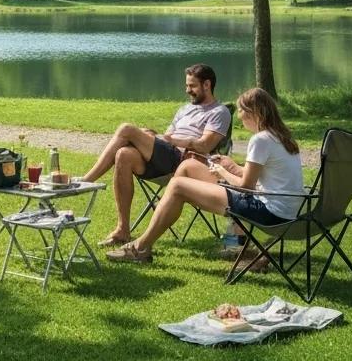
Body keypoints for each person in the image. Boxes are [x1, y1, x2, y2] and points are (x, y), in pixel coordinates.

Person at [106, 86, 304, 263]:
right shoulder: (281, 136)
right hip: (286, 208)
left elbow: (246, 187)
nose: (240, 117)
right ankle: (232, 243)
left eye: (242, 111)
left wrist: (223, 171)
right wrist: (232, 165)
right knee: (189, 165)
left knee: (177, 186)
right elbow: (266, 175)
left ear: (255, 113)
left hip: (268, 212)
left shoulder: (260, 140)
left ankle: (140, 247)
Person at [80, 63, 230, 247]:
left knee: (126, 129)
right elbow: (167, 138)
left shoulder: (219, 112)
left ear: (207, 85)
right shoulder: (184, 109)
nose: (187, 90)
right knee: (123, 154)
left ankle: (86, 181)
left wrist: (170, 140)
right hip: (166, 158)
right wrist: (152, 136)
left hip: (185, 162)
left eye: (192, 86)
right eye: (186, 85)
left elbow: (205, 144)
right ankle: (123, 231)